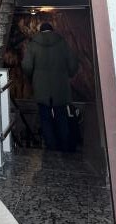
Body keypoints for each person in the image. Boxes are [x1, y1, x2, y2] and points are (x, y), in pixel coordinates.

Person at [22, 22, 78, 152]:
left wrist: (32, 77)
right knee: (61, 116)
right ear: (52, 30)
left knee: (45, 117)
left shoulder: (33, 44)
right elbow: (73, 64)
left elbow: (26, 66)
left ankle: (51, 147)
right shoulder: (62, 43)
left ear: (40, 31)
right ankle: (64, 147)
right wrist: (69, 75)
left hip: (41, 88)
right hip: (60, 87)